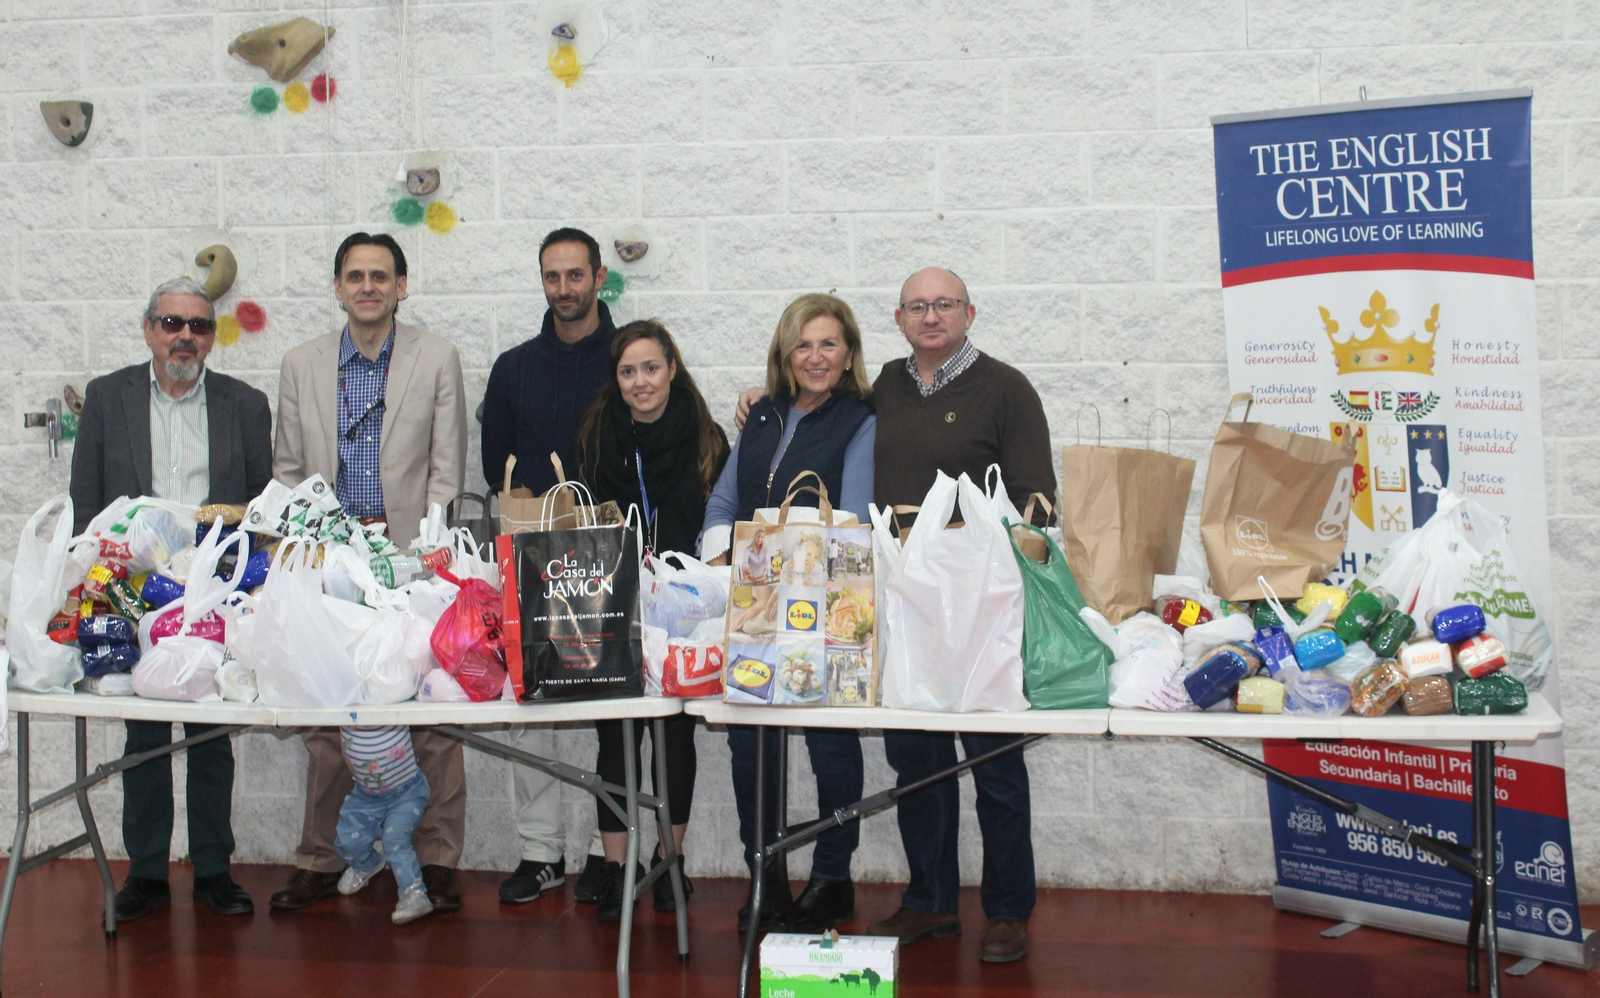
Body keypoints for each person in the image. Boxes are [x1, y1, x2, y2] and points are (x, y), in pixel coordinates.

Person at [269, 232, 469, 914]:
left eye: (380, 275)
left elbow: (447, 471)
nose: (368, 286)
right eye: (354, 275)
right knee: (328, 715)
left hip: (411, 562)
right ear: (337, 287)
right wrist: (300, 562)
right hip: (329, 566)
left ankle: (437, 860)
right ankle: (324, 857)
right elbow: (289, 473)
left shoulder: (436, 358)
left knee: (431, 715)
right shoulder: (300, 364)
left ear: (402, 285)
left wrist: (429, 559)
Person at [69, 275, 273, 921]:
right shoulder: (108, 398)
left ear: (212, 337)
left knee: (211, 731)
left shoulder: (245, 403)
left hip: (212, 584)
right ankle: (148, 874)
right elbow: (87, 499)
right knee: (145, 733)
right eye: (171, 323)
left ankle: (214, 869)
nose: (185, 335)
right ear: (149, 329)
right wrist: (89, 585)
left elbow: (262, 504)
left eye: (199, 325)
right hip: (134, 585)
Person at [866, 268, 1054, 963]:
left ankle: (1008, 911)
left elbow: (1038, 499)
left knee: (995, 763)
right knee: (915, 760)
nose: (931, 316)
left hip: (981, 602)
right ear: (899, 318)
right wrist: (766, 398)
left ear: (970, 312)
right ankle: (930, 902)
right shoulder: (882, 385)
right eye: (917, 306)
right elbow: (820, 404)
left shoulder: (1006, 388)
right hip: (905, 600)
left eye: (944, 304)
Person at [702, 293, 876, 934]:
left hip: (823, 605)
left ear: (849, 352)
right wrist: (725, 556)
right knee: (749, 740)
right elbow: (724, 500)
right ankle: (764, 873)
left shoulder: (861, 420)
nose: (815, 356)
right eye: (803, 344)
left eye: (828, 343)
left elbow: (852, 516)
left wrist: (783, 559)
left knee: (830, 737)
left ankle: (833, 877)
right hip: (753, 603)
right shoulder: (762, 415)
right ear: (785, 353)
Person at [569, 318, 730, 920]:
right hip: (611, 603)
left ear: (672, 369)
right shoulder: (595, 435)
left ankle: (670, 864)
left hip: (685, 610)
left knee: (674, 737)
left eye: (651, 368)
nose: (641, 382)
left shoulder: (706, 435)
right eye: (628, 371)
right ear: (617, 379)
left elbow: (723, 519)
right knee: (614, 736)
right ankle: (617, 868)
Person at [479, 227, 617, 904]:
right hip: (530, 556)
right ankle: (539, 852)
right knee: (528, 705)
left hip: (610, 556)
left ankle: (605, 852)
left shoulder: (630, 357)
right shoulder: (514, 367)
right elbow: (494, 464)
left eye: (575, 275)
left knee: (612, 705)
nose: (564, 288)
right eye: (552, 276)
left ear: (599, 278)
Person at [333, 725, 434, 924]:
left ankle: (414, 893)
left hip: (406, 792)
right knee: (347, 842)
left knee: (395, 842)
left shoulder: (389, 693)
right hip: (365, 795)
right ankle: (367, 864)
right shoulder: (342, 696)